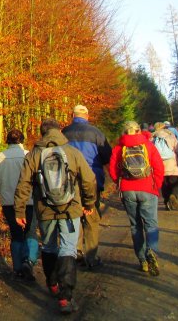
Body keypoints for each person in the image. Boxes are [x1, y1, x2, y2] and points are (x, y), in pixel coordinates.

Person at [14, 118, 97, 315]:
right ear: (60, 131)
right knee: (68, 248)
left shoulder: (34, 154)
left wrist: (19, 211)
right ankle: (65, 297)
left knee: (49, 246)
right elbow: (89, 179)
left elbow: (23, 183)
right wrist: (89, 203)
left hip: (45, 210)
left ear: (42, 133)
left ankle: (52, 283)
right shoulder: (72, 152)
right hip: (70, 209)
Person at [109, 120, 164, 275]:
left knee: (135, 225)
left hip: (128, 190)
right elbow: (159, 167)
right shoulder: (148, 146)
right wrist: (156, 185)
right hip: (147, 188)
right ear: (139, 130)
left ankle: (142, 261)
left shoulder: (119, 148)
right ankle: (151, 251)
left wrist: (120, 183)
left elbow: (113, 170)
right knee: (151, 224)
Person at [61, 103, 111, 268]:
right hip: (92, 180)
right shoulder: (96, 133)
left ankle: (76, 252)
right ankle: (91, 258)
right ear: (87, 116)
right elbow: (106, 156)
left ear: (72, 116)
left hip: (69, 181)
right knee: (91, 217)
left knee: (74, 215)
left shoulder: (64, 133)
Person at [0, 128, 39, 280]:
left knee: (16, 234)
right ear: (22, 139)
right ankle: (29, 261)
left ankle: (18, 268)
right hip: (28, 201)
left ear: (7, 140)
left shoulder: (0, 157)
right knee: (30, 232)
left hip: (8, 202)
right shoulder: (28, 155)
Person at [152, 122, 178, 210]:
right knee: (174, 183)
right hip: (172, 163)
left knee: (164, 185)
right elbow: (177, 149)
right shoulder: (171, 136)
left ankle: (166, 203)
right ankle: (173, 195)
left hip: (159, 165)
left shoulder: (153, 138)